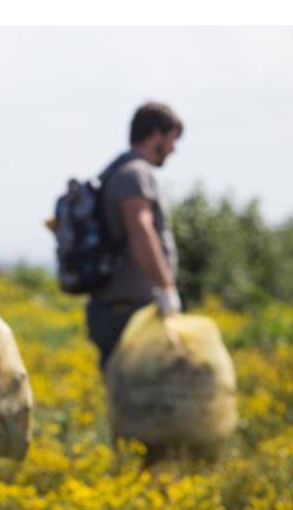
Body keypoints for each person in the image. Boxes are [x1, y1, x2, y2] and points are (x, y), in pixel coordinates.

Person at [86, 101, 185, 370]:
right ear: (156, 135)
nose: (174, 149)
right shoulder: (135, 174)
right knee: (143, 402)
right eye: (172, 139)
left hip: (111, 307)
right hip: (128, 312)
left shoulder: (115, 170)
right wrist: (166, 289)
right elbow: (141, 230)